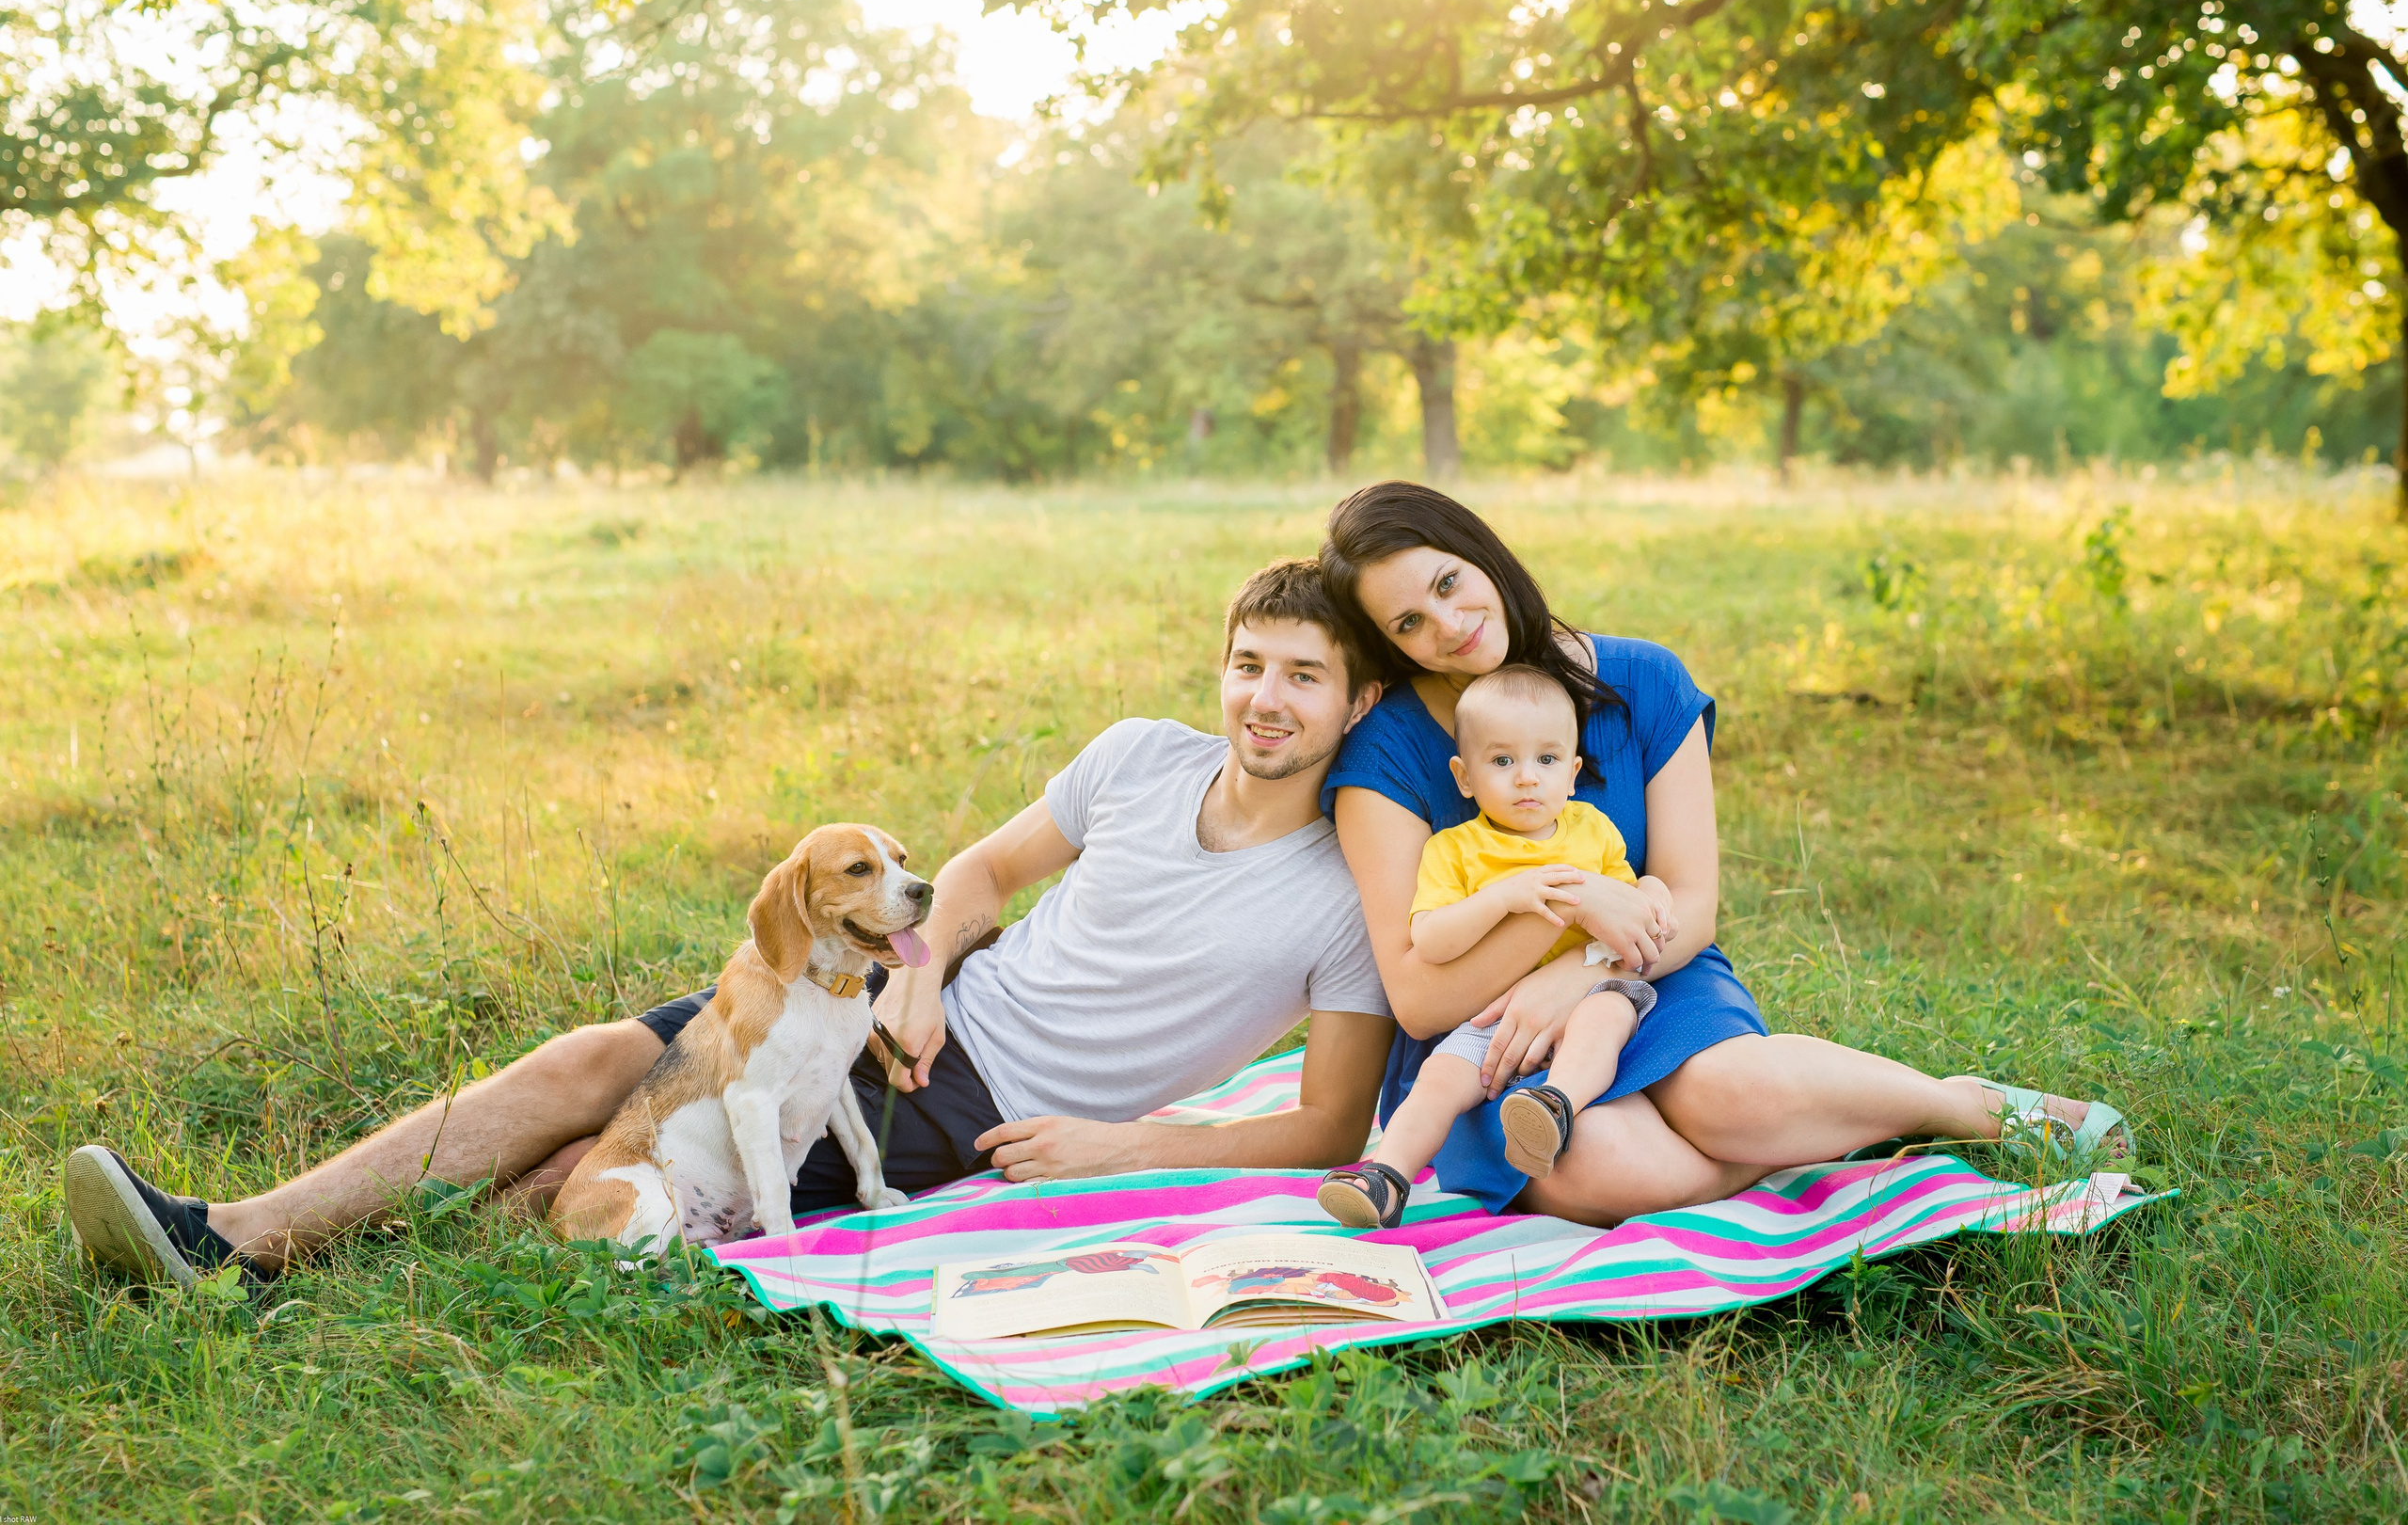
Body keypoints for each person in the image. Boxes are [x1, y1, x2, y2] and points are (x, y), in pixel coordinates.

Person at [64, 561, 1400, 1288]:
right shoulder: (1139, 756)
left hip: (980, 1108)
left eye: (1302, 677)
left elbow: (1328, 1123)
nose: (1263, 698)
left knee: (613, 1156)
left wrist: (1122, 1143)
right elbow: (985, 871)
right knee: (595, 1063)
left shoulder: (1348, 894)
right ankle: (231, 1234)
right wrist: (924, 970)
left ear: (1358, 703)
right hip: (879, 1010)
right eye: (1247, 664)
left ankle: (294, 1268)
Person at [1315, 480, 2132, 1224]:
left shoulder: (1644, 681)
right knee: (1596, 1163)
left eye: (1448, 583)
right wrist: (1568, 902)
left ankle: (1959, 1106)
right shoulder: (1385, 756)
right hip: (1490, 1031)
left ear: (1479, 552)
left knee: (1730, 1092)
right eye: (1409, 624)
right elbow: (1420, 999)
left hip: (1650, 969)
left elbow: (1692, 905)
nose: (1448, 626)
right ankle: (1788, 1148)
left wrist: (1583, 969)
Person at [1316, 662, 1666, 1229]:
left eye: (1546, 760)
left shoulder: (1594, 831)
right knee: (1440, 1079)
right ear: (1465, 777)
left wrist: (1651, 892)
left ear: (1573, 773)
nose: (1527, 778)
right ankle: (1386, 1177)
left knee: (1606, 1015)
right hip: (1497, 1015)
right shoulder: (1454, 850)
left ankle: (1555, 1106)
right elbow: (1430, 939)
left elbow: (1628, 915)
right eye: (1502, 761)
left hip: (1590, 986)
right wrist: (1506, 897)